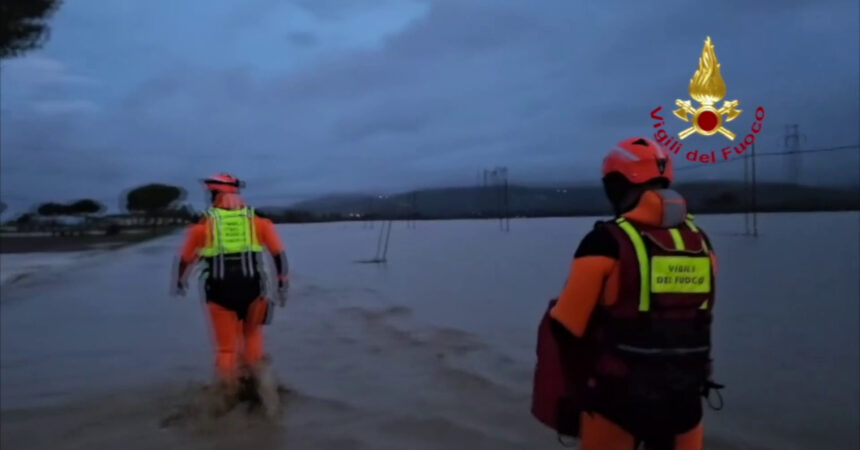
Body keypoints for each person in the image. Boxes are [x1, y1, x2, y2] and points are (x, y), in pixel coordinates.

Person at [531, 137, 722, 450]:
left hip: (617, 402)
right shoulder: (701, 244)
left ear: (616, 188)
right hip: (685, 401)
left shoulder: (604, 242)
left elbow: (565, 326)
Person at [172, 173, 290, 416]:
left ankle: (228, 396)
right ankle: (264, 392)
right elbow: (279, 255)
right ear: (236, 194)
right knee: (253, 335)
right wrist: (282, 284)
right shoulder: (258, 221)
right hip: (253, 292)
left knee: (226, 349)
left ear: (214, 194)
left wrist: (180, 281)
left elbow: (184, 260)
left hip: (219, 294)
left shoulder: (203, 224)